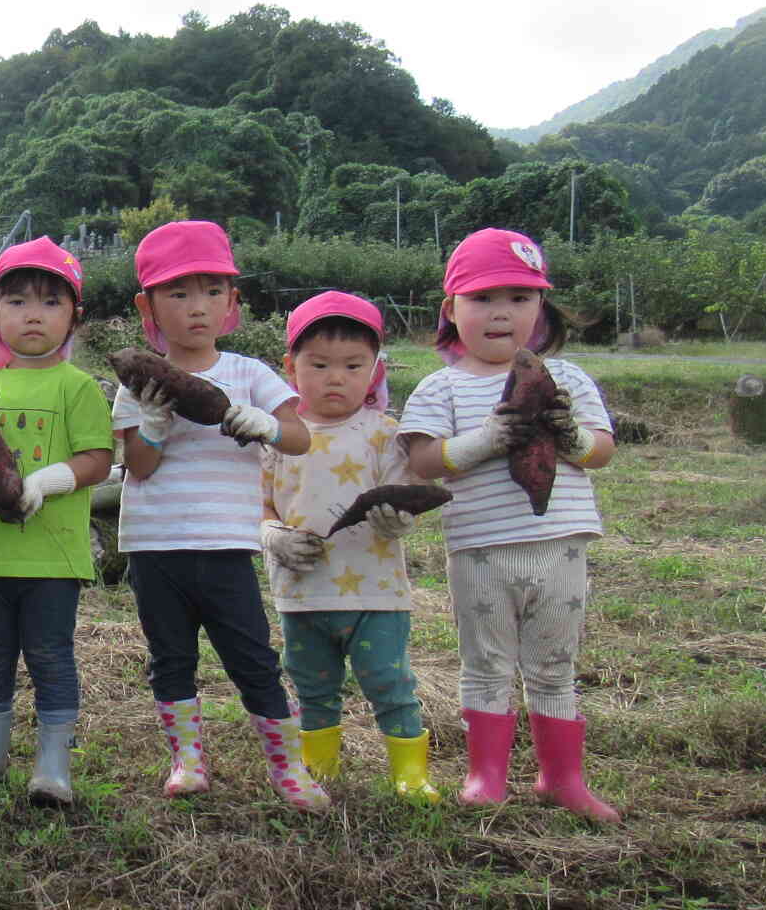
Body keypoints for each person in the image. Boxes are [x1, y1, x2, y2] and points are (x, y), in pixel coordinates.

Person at [397, 227, 620, 822]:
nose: (502, 313)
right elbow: (421, 461)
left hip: (561, 546)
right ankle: (485, 776)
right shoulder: (440, 387)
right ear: (452, 310)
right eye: (483, 299)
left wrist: (567, 435)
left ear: (540, 309)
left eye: (520, 298)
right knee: (487, 663)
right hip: (480, 550)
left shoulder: (567, 379)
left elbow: (601, 449)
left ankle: (561, 779)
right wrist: (486, 441)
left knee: (553, 665)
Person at [111, 220, 328, 813]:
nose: (196, 308)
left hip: (227, 544)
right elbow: (140, 467)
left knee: (253, 657)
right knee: (170, 658)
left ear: (233, 304)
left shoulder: (250, 375)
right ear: (147, 306)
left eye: (211, 292)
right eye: (178, 294)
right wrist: (154, 424)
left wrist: (263, 424)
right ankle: (187, 760)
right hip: (155, 546)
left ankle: (288, 770)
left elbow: (300, 437)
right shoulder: (137, 385)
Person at [0, 237, 112, 802]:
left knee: (51, 654)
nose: (33, 313)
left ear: (73, 318)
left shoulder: (77, 387)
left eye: (50, 302)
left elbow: (98, 461)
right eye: (17, 301)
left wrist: (44, 482)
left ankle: (53, 764)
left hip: (53, 556)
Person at [260, 292, 435, 799]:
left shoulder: (384, 435)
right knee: (312, 686)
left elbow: (406, 501)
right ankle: (321, 768)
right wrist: (272, 536)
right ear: (290, 367)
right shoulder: (276, 436)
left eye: (353, 366)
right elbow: (260, 506)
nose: (336, 377)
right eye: (319, 365)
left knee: (389, 681)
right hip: (301, 590)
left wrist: (398, 521)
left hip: (376, 594)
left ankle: (410, 774)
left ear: (375, 370)